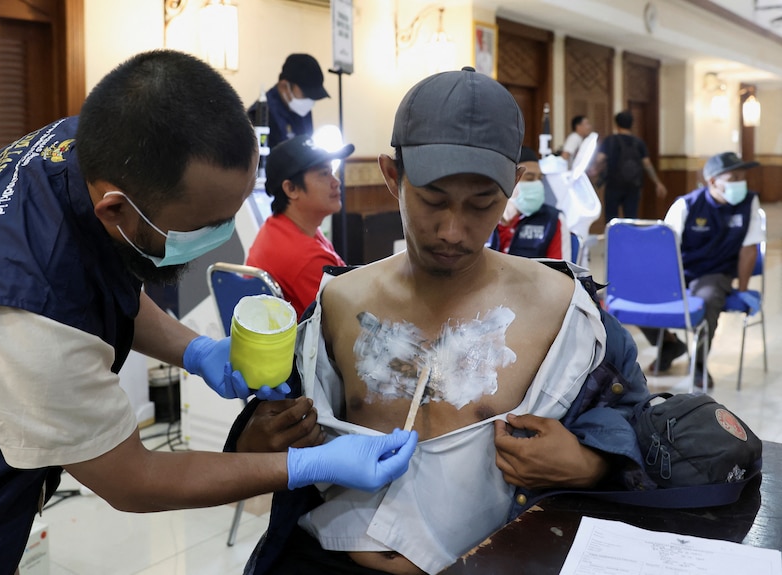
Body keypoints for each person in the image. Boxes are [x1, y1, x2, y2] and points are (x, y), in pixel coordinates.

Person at [0, 50, 418, 574]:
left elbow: (97, 281)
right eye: (206, 225)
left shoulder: (93, 144)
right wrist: (303, 465)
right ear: (116, 208)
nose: (222, 238)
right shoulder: (22, 313)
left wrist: (196, 351)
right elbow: (131, 480)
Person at [226, 67, 651, 575]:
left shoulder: (567, 314)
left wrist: (591, 463)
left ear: (514, 186)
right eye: (432, 200)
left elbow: (635, 426)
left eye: (481, 204)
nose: (453, 230)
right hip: (328, 560)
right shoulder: (339, 301)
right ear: (391, 176)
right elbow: (273, 437)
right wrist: (259, 441)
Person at [639, 151, 764, 389]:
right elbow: (664, 249)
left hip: (716, 273)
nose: (740, 182)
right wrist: (662, 283)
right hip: (680, 271)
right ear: (713, 181)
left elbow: (749, 249)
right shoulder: (687, 205)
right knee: (637, 296)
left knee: (707, 298)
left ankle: (698, 362)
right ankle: (669, 344)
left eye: (743, 176)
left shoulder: (749, 203)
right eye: (733, 177)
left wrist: (744, 289)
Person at [246, 135, 351, 317]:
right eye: (324, 174)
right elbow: (350, 317)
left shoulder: (278, 227)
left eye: (332, 172)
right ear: (291, 189)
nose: (336, 182)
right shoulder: (305, 258)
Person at [490, 146, 570, 260]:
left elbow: (561, 274)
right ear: (507, 180)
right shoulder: (484, 217)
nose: (537, 184)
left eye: (540, 178)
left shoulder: (553, 221)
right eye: (529, 178)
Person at [591, 110, 667, 221]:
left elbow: (599, 159)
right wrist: (658, 182)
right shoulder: (639, 143)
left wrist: (594, 171)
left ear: (616, 124)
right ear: (631, 125)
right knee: (631, 217)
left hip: (613, 185)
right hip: (633, 186)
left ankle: (614, 238)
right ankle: (630, 237)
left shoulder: (610, 140)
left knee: (611, 218)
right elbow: (647, 164)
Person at [248, 53, 330, 150]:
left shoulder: (302, 111)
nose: (309, 101)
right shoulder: (260, 114)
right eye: (305, 95)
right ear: (284, 86)